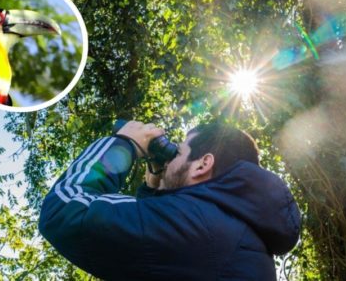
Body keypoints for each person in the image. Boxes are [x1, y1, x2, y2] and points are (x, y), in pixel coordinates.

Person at [39, 120, 301, 280]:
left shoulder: (201, 226)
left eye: (179, 152)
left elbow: (64, 211)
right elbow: (152, 230)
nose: (171, 158)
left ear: (202, 165)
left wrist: (123, 143)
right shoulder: (228, 228)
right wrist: (154, 182)